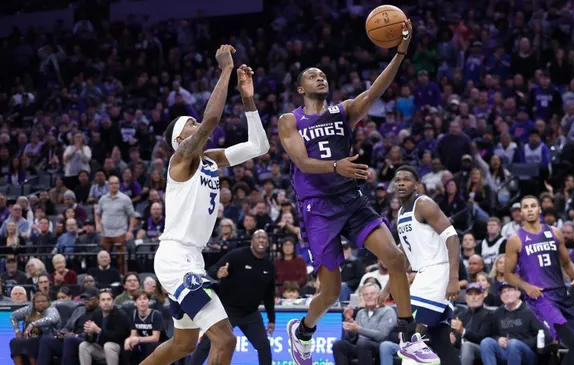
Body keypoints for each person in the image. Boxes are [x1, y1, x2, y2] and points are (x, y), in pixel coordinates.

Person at [278, 20, 435, 364]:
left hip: (351, 199)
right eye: (312, 76)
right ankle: (303, 330)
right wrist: (336, 166)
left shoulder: (343, 110)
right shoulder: (290, 120)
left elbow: (375, 91)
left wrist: (400, 53)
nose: (321, 78)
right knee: (331, 292)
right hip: (317, 207)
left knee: (395, 258)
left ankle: (410, 337)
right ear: (301, 89)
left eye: (323, 75)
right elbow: (302, 162)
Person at [142, 46, 269, 365]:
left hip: (190, 257)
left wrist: (247, 99)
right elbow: (212, 119)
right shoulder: (181, 159)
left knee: (183, 345)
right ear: (179, 141)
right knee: (225, 340)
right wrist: (225, 71)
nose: (196, 124)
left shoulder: (210, 159)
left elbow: (259, 146)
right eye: (190, 124)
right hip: (176, 257)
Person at [386, 165, 461, 364]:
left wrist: (453, 278)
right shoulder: (401, 213)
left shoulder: (424, 204)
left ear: (417, 184)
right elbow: (404, 254)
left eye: (407, 179)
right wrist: (387, 287)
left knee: (410, 332)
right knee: (439, 338)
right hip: (425, 272)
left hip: (437, 270)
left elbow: (452, 238)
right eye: (398, 179)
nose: (401, 183)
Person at [504, 196, 574, 365]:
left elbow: (566, 262)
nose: (529, 209)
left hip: (561, 293)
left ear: (539, 209)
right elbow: (508, 274)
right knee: (571, 342)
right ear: (521, 212)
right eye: (525, 207)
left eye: (533, 206)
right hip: (541, 298)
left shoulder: (555, 232)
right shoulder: (515, 239)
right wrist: (526, 286)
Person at [193, 230, 276, 365]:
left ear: (267, 243)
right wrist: (218, 275)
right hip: (226, 311)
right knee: (206, 344)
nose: (261, 240)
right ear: (252, 241)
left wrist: (271, 319)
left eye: (264, 238)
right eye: (258, 237)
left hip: (250, 314)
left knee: (264, 346)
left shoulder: (269, 267)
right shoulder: (237, 256)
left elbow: (269, 295)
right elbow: (212, 271)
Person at [36, 287, 100, 365]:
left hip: (86, 342)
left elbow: (95, 334)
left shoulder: (100, 313)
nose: (86, 301)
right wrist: (62, 333)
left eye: (89, 299)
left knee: (70, 340)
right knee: (45, 340)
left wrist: (75, 335)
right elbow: (67, 326)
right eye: (84, 299)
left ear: (97, 299)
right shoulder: (79, 309)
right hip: (69, 340)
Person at [79, 290, 130, 365]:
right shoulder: (96, 314)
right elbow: (90, 339)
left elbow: (116, 338)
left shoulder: (120, 315)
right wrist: (89, 333)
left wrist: (98, 330)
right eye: (103, 300)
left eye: (109, 299)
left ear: (113, 302)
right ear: (99, 303)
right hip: (101, 349)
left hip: (118, 349)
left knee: (108, 346)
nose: (106, 302)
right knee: (83, 345)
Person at [122, 290, 163, 364]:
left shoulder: (156, 315)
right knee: (128, 348)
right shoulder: (133, 314)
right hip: (142, 342)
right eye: (139, 299)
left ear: (149, 302)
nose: (142, 301)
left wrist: (138, 339)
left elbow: (155, 338)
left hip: (158, 343)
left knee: (149, 346)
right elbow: (133, 334)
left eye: (144, 299)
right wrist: (128, 340)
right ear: (135, 303)